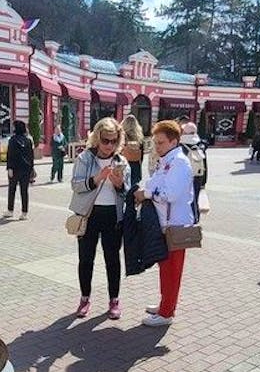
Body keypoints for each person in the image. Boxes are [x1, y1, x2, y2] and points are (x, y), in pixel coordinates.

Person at [134, 120, 194, 327]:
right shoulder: (167, 160)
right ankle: (165, 305)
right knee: (165, 267)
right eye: (155, 143)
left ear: (173, 141)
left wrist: (146, 193)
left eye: (160, 143)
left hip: (174, 226)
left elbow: (171, 194)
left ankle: (167, 312)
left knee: (171, 270)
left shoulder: (178, 162)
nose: (156, 147)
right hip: (164, 224)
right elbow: (156, 184)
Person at [70, 118, 130, 319]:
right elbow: (76, 185)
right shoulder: (85, 158)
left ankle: (114, 300)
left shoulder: (121, 161)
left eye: (114, 141)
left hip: (112, 215)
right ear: (97, 138)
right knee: (86, 259)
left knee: (112, 260)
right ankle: (84, 298)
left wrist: (120, 184)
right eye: (105, 140)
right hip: (89, 215)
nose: (109, 145)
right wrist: (97, 179)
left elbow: (127, 193)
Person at [4, 121, 35, 220]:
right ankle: (24, 213)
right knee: (24, 191)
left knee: (12, 190)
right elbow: (31, 157)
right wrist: (31, 169)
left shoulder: (12, 140)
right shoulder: (28, 141)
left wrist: (9, 168)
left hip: (15, 169)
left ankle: (10, 210)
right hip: (25, 169)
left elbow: (10, 155)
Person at [180, 122, 208, 222]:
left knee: (183, 200)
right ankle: (195, 220)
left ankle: (185, 221)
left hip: (185, 176)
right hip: (198, 175)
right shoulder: (200, 144)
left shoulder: (181, 144)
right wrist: (204, 181)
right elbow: (204, 163)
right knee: (195, 199)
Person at [121, 116, 145, 186]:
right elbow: (142, 155)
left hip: (124, 162)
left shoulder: (122, 136)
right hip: (136, 165)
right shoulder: (139, 137)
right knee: (133, 185)